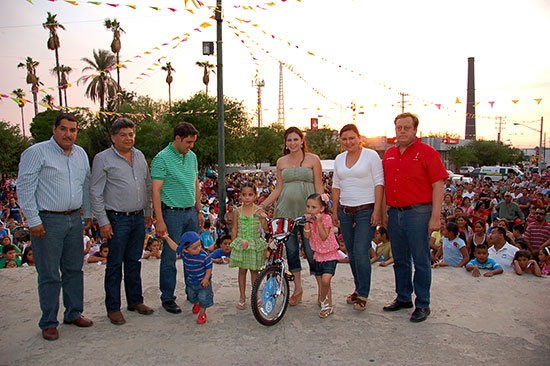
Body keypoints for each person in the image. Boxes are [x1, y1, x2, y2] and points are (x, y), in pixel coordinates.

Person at [17, 112, 93, 340]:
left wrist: (87, 214)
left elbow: (86, 185)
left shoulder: (80, 154)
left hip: (73, 218)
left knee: (74, 269)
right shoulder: (36, 152)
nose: (68, 134)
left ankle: (73, 312)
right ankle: (49, 321)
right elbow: (24, 188)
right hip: (47, 220)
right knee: (49, 273)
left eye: (73, 130)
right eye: (64, 129)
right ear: (54, 129)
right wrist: (34, 221)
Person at [382, 112, 447, 323]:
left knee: (421, 260)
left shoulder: (428, 152)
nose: (401, 131)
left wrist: (435, 217)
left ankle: (422, 304)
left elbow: (438, 184)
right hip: (395, 213)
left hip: (419, 213)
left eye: (406, 128)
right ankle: (403, 297)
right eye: (398, 127)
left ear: (415, 130)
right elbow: (383, 186)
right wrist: (383, 211)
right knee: (400, 259)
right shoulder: (389, 153)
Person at [90, 118, 154, 325]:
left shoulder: (139, 155)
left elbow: (147, 184)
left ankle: (135, 301)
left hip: (137, 217)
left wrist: (148, 211)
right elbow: (96, 191)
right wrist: (103, 221)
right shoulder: (103, 159)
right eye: (124, 134)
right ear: (113, 137)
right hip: (116, 219)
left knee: (134, 262)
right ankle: (113, 308)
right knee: (115, 264)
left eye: (131, 134)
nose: (128, 138)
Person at [261, 127, 324, 306]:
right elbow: (279, 188)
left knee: (312, 251)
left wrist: (321, 207)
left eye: (296, 139)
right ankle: (298, 289)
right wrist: (263, 204)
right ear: (285, 143)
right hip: (285, 212)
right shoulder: (281, 161)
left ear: (302, 140)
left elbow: (319, 186)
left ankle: (322, 290)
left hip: (308, 213)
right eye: (289, 140)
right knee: (291, 252)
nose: (293, 143)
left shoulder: (314, 159)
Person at [151, 122, 204, 314]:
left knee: (193, 254)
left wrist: (200, 210)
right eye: (188, 142)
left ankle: (192, 292)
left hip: (191, 212)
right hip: (171, 213)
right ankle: (168, 297)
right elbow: (155, 191)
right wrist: (160, 220)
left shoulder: (192, 157)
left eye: (193, 142)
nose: (191, 146)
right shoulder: (161, 158)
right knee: (169, 256)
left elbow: (195, 184)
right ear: (177, 139)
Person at [331, 124, 384, 311]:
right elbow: (336, 185)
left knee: (361, 251)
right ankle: (357, 287)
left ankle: (363, 294)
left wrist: (378, 211)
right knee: (352, 252)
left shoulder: (371, 156)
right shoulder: (339, 159)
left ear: (359, 137)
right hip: (345, 211)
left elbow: (379, 183)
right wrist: (334, 211)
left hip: (366, 210)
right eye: (344, 139)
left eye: (351, 138)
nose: (348, 142)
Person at [229, 183, 268, 309]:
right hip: (241, 244)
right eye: (244, 195)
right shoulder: (237, 211)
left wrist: (264, 219)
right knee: (241, 271)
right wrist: (233, 243)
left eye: (250, 195)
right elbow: (234, 228)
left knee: (254, 271)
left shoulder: (258, 211)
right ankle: (242, 296)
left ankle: (255, 295)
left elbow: (266, 230)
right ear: (239, 196)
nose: (247, 198)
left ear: (255, 196)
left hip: (253, 244)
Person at [162, 231, 213, 324]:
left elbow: (209, 268)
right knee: (192, 296)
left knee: (203, 298)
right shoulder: (183, 253)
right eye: (195, 248)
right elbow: (174, 247)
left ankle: (202, 313)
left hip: (203, 282)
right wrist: (167, 238)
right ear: (185, 249)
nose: (199, 249)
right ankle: (196, 304)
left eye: (199, 245)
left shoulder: (204, 256)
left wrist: (206, 279)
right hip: (191, 281)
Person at [303, 193, 339, 318]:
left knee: (326, 280)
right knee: (323, 283)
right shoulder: (310, 220)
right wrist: (307, 223)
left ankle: (322, 299)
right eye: (308, 207)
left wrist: (318, 222)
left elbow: (324, 236)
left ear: (322, 208)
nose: (310, 210)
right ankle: (327, 305)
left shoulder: (326, 218)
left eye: (313, 207)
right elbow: (307, 236)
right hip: (318, 255)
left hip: (330, 254)